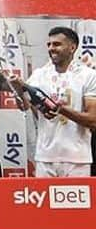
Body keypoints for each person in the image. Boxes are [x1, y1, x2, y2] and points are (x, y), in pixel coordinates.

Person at [15, 26, 96, 178]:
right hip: (45, 158)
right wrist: (18, 90)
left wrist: (62, 110)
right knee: (44, 203)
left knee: (75, 203)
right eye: (49, 44)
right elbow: (23, 105)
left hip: (77, 160)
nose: (51, 48)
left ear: (72, 47)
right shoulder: (39, 75)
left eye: (57, 44)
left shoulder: (88, 75)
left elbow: (93, 120)